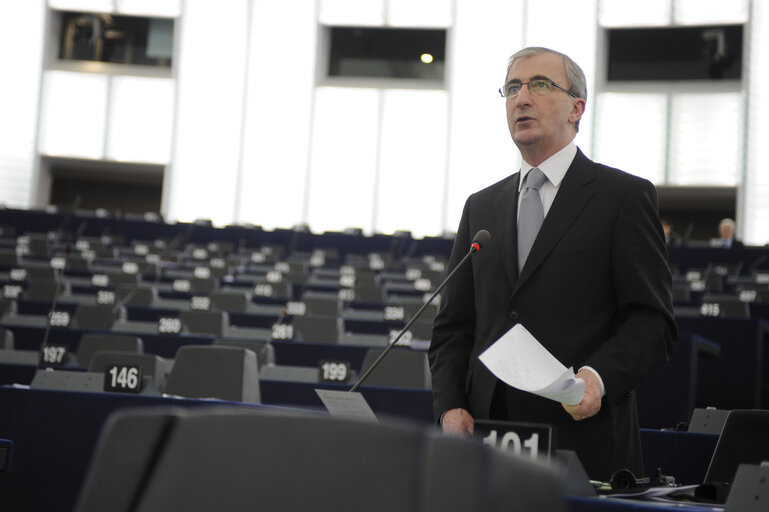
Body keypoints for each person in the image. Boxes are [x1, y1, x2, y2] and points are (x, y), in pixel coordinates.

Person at [428, 47, 677, 481]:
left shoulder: (623, 198)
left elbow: (652, 322)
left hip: (581, 436)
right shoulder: (481, 206)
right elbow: (454, 326)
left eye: (540, 85)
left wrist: (598, 378)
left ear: (577, 108)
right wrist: (450, 406)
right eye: (512, 88)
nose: (521, 98)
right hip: (487, 438)